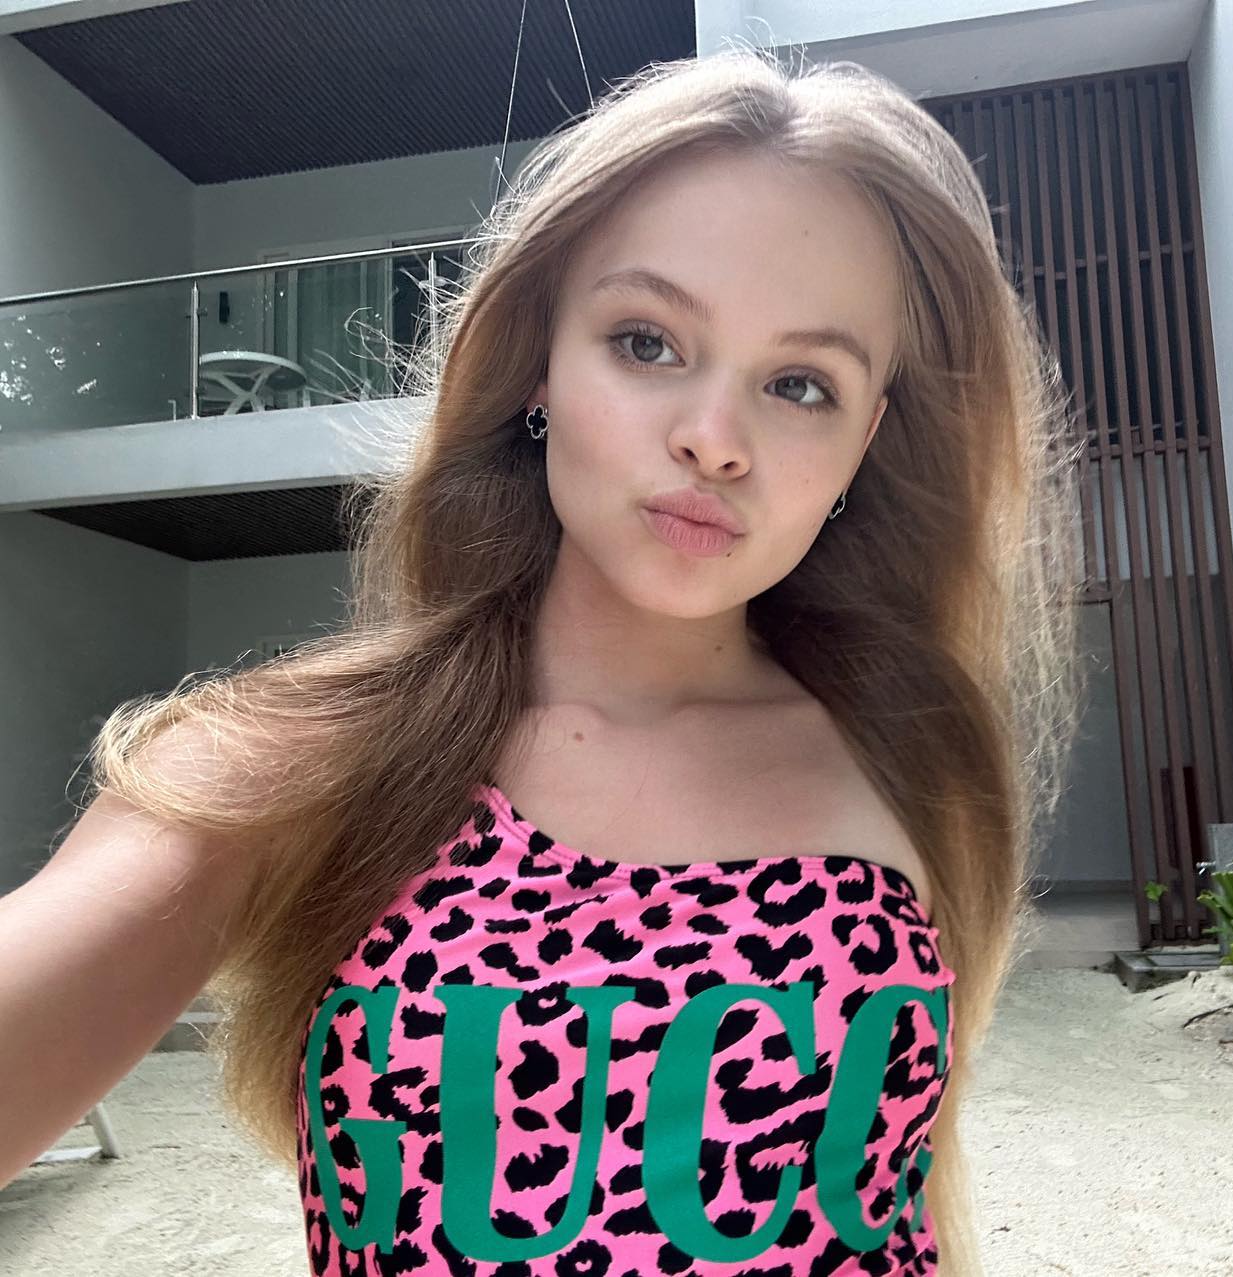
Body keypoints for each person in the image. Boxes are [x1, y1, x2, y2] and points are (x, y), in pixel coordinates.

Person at [0, 44, 1085, 1277]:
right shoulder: (306, 766)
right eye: (647, 341)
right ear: (538, 362)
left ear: (866, 439)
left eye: (800, 383)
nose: (713, 439)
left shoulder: (912, 750)